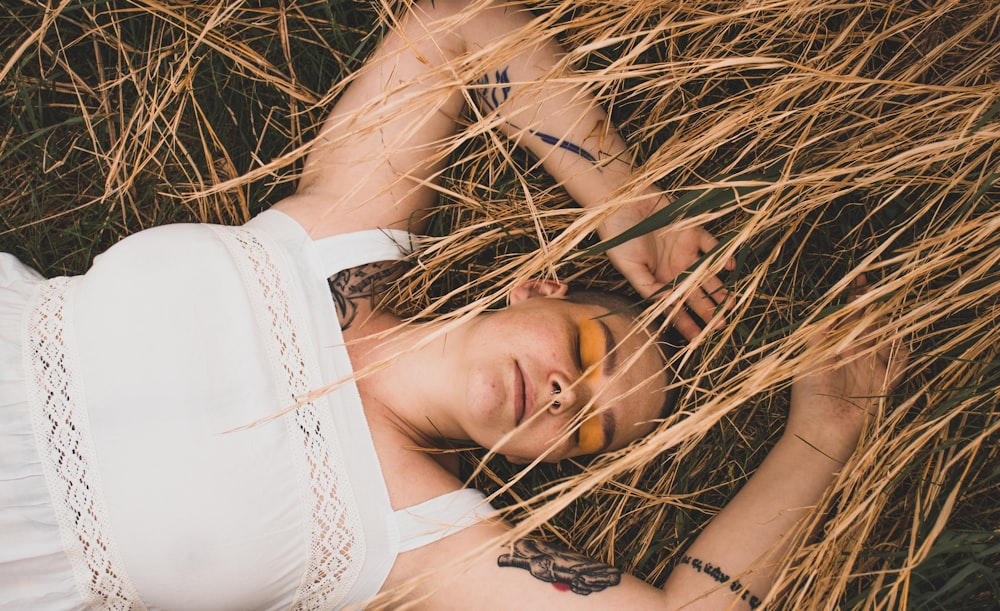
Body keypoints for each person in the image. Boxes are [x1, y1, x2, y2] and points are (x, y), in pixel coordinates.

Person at [0, 0, 905, 609]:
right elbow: (459, 26)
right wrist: (628, 205)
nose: (565, 395)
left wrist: (826, 427)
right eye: (586, 349)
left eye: (585, 426)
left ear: (547, 458)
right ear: (537, 288)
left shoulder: (424, 542)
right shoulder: (340, 234)